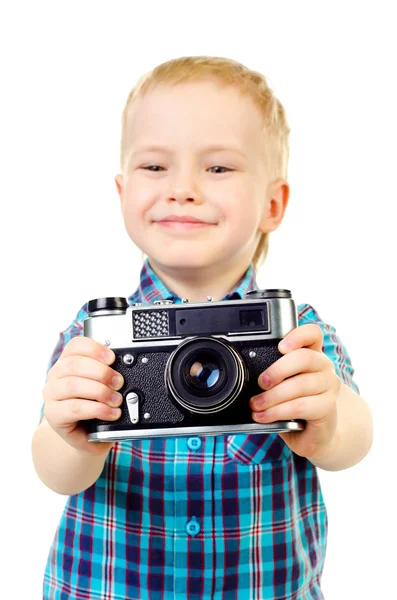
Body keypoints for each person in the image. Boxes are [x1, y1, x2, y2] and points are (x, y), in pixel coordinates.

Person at [32, 56, 373, 600]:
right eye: (154, 167)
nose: (183, 188)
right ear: (122, 194)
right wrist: (72, 437)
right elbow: (53, 470)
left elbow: (354, 441)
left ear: (273, 203)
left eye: (217, 168)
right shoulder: (98, 334)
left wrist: (327, 420)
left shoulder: (295, 334)